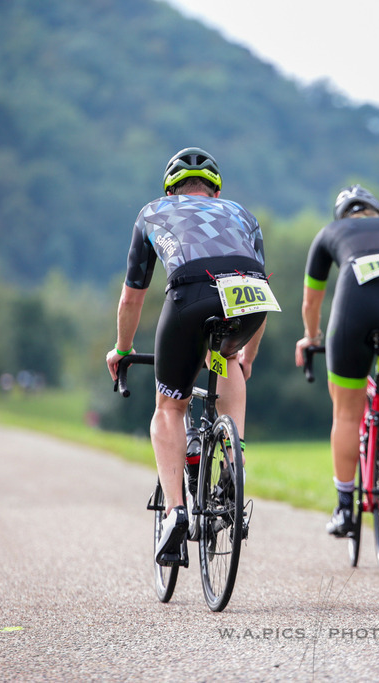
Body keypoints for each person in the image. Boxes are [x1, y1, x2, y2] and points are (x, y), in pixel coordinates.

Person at [106, 147, 269, 565]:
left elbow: (131, 299)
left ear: (171, 189)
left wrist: (123, 349)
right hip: (251, 297)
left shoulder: (152, 212)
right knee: (227, 360)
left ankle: (176, 512)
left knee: (169, 406)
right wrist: (246, 354)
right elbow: (260, 282)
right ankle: (235, 460)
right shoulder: (242, 214)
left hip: (192, 293)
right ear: (215, 191)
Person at [294, 185, 379, 537]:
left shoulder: (328, 234)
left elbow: (311, 304)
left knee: (346, 413)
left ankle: (344, 507)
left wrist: (312, 337)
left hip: (356, 309)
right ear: (376, 212)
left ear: (342, 218)